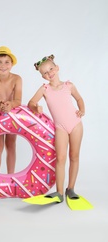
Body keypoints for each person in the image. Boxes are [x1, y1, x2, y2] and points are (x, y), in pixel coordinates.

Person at [28, 54, 85, 203]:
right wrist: (36, 107)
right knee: (60, 158)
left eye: (51, 69)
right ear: (43, 76)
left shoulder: (68, 85)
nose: (49, 73)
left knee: (74, 156)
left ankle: (70, 188)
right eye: (45, 73)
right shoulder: (45, 89)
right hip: (60, 127)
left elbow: (79, 98)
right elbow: (31, 102)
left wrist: (82, 109)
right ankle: (59, 192)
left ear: (57, 68)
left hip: (75, 124)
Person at [0, 46, 22, 174]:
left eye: (7, 62)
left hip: (12, 115)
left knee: (11, 145)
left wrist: (10, 105)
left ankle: (10, 175)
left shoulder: (17, 79)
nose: (3, 65)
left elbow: (18, 100)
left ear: (11, 64)